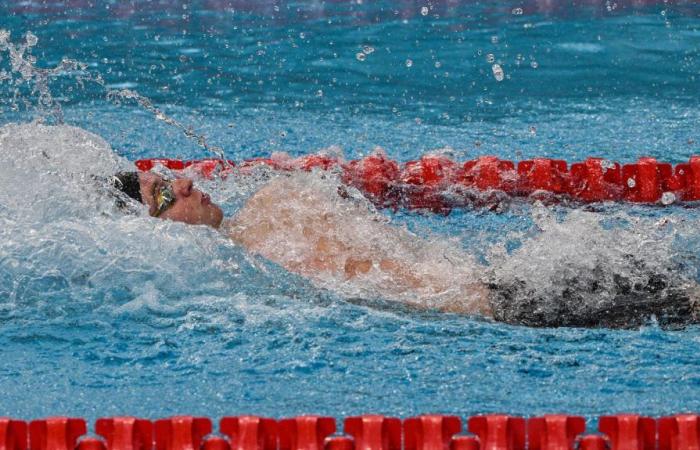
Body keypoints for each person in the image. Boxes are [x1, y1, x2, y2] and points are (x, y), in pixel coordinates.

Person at [108, 170, 700, 329]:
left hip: (507, 297)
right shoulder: (251, 259)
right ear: (156, 235)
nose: (181, 182)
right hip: (509, 307)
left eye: (167, 178)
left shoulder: (272, 208)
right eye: (164, 196)